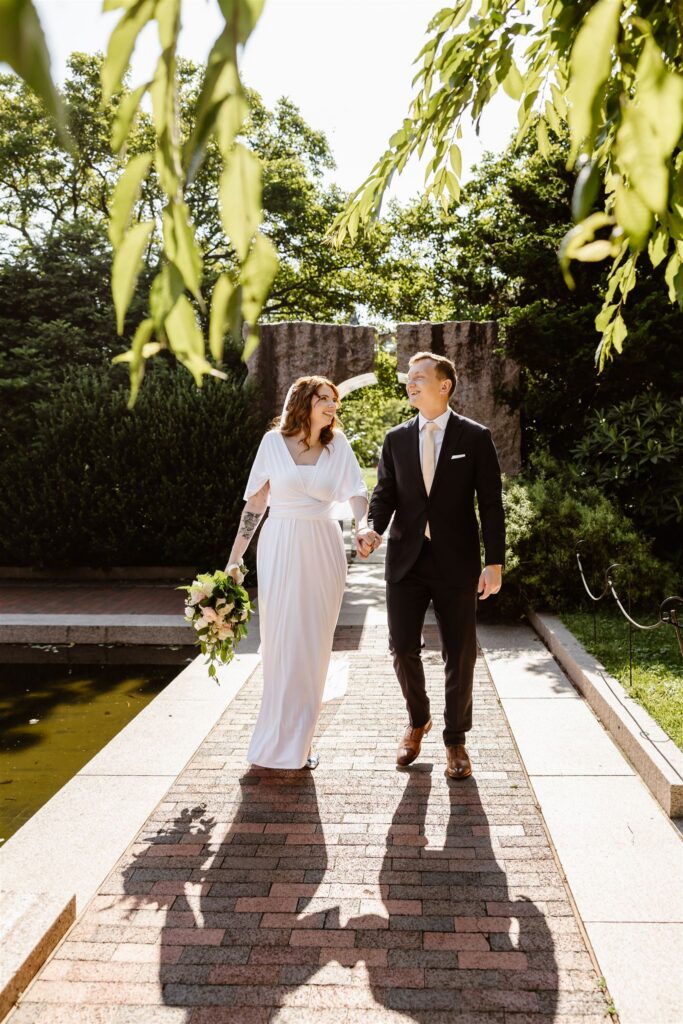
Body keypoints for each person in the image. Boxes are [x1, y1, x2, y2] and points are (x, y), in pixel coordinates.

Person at [365, 352, 505, 779]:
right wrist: (372, 527)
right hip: (406, 561)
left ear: (444, 385)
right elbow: (384, 494)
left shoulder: (475, 437)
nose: (411, 383)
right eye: (409, 378)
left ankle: (456, 741)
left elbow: (492, 506)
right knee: (402, 648)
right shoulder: (395, 439)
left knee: (460, 654)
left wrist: (494, 562)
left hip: (457, 562)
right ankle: (418, 719)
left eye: (420, 377)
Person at [224, 376, 374, 770]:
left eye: (335, 401)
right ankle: (273, 735)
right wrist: (235, 558)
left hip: (323, 545)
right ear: (303, 402)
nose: (332, 407)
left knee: (312, 643)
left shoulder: (337, 445)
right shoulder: (272, 443)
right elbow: (256, 503)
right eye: (325, 399)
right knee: (280, 640)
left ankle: (302, 741)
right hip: (280, 543)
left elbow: (357, 490)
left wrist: (361, 525)